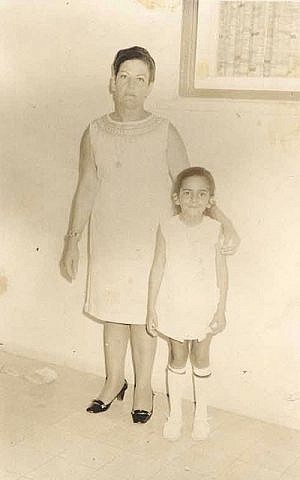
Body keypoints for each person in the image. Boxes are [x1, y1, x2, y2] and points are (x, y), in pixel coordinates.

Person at [60, 46, 238, 424]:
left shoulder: (164, 130)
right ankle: (113, 381)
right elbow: (87, 187)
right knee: (112, 310)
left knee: (143, 312)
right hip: (108, 234)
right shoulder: (94, 131)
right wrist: (72, 240)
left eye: (140, 79)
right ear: (112, 80)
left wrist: (223, 221)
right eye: (124, 76)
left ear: (150, 85)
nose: (130, 86)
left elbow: (191, 185)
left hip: (151, 239)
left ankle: (143, 387)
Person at [146, 166, 228, 440]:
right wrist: (151, 308)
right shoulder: (167, 227)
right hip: (174, 303)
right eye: (188, 193)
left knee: (201, 357)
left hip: (203, 304)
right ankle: (175, 417)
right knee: (177, 357)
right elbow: (157, 267)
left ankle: (201, 416)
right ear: (177, 197)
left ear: (210, 200)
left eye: (201, 194)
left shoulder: (215, 229)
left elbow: (221, 272)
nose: (194, 199)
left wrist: (221, 308)